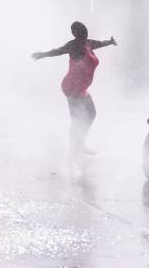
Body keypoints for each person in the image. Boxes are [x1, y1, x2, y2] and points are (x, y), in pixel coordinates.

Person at [32, 21, 116, 172]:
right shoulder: (74, 45)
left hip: (82, 87)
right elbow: (58, 51)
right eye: (80, 31)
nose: (84, 32)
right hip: (72, 86)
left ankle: (80, 144)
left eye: (84, 30)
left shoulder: (89, 43)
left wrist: (109, 42)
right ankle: (75, 149)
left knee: (91, 114)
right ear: (75, 33)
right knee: (78, 118)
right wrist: (42, 55)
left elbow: (100, 43)